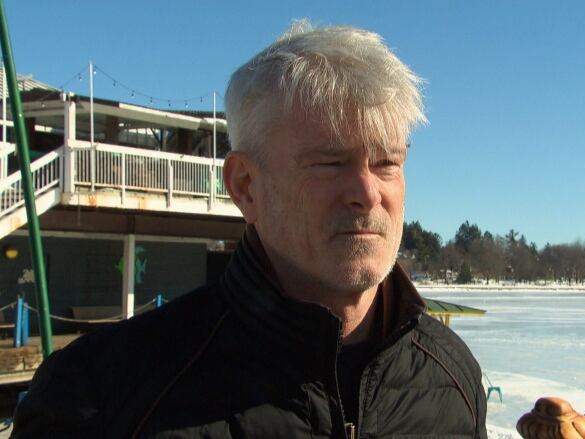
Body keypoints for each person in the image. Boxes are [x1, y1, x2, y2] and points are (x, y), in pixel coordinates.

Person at [12, 21, 487, 438]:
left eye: (386, 162)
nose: (366, 192)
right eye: (329, 162)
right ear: (245, 185)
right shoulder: (101, 396)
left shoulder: (452, 376)